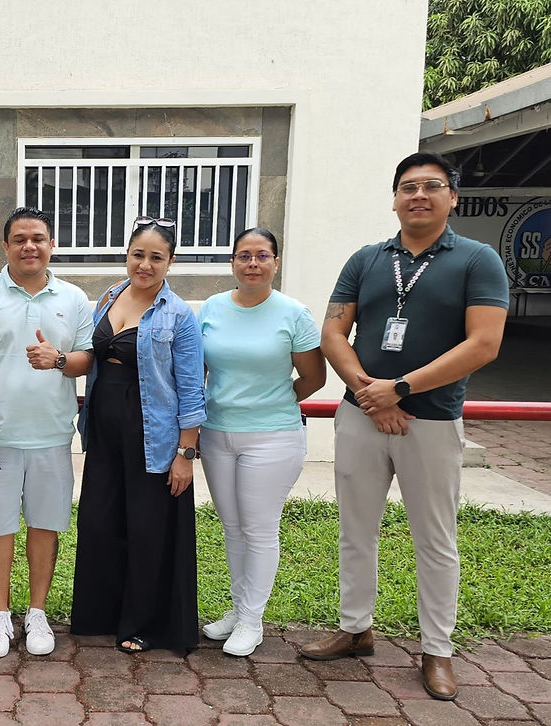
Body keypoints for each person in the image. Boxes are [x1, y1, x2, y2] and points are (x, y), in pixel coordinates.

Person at [301, 152, 508, 701]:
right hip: (362, 414)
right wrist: (372, 393)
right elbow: (333, 333)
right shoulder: (367, 259)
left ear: (452, 198)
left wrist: (402, 388)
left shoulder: (476, 259)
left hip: (432, 421)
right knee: (355, 529)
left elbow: (483, 344)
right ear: (394, 198)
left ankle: (437, 650)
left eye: (432, 186)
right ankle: (354, 629)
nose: (419, 195)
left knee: (435, 538)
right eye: (408, 187)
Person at [0, 207, 94, 658]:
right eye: (19, 239)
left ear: (51, 244)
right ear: (5, 246)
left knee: (45, 524)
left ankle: (37, 612)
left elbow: (86, 360)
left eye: (38, 237)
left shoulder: (73, 298)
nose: (29, 246)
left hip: (52, 434)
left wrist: (56, 359)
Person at [69, 215, 206, 654]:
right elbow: (92, 357)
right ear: (127, 255)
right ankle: (101, 615)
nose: (144, 265)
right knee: (102, 521)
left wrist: (186, 452)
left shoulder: (180, 315)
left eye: (156, 257)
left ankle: (145, 623)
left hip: (155, 434)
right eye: (137, 255)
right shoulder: (110, 296)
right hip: (104, 430)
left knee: (148, 530)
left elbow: (190, 387)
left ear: (171, 261)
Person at [198, 227, 325, 657]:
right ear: (232, 262)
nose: (253, 263)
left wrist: (271, 403)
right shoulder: (212, 308)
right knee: (232, 528)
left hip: (273, 437)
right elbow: (198, 370)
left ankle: (253, 621)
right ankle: (238, 611)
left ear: (275, 262)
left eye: (262, 255)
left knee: (259, 527)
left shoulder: (293, 313)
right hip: (217, 434)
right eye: (244, 255)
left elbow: (313, 377)